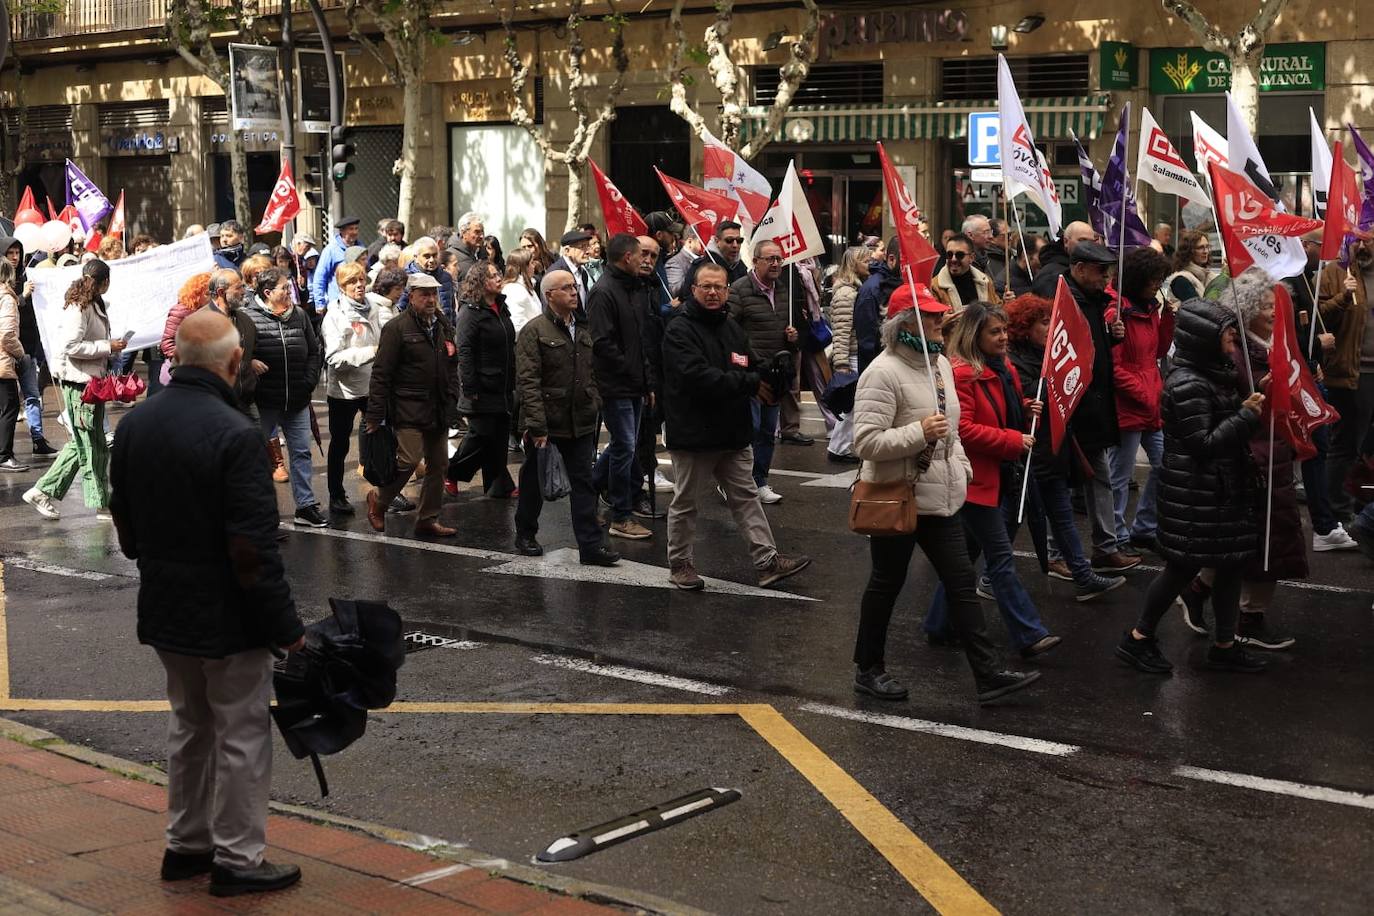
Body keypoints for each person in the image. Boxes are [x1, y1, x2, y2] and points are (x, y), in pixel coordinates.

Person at [109, 309, 305, 898]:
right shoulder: (236, 434)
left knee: (189, 725)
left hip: (166, 601)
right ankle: (238, 858)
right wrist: (286, 627)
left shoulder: (138, 423)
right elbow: (252, 549)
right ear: (234, 363)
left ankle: (185, 844)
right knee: (241, 732)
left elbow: (125, 520)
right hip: (227, 613)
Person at [849, 282, 1042, 704]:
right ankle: (869, 668)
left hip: (941, 498)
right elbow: (864, 442)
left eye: (939, 316)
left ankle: (988, 675)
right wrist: (917, 432)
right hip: (896, 495)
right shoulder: (882, 372)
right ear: (906, 325)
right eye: (933, 317)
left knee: (960, 582)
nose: (941, 322)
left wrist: (963, 468)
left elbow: (952, 431)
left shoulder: (937, 365)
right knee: (886, 583)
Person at [1116, 298, 1268, 675]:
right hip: (1196, 494)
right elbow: (1203, 443)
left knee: (1231, 565)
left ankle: (1225, 644)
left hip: (1219, 492)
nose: (1234, 343)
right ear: (1205, 339)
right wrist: (1246, 415)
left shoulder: (1215, 373)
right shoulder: (1187, 384)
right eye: (1228, 336)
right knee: (1181, 570)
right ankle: (1137, 639)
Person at [660, 262, 811, 591]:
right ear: (693, 290)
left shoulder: (730, 326)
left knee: (745, 497)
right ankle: (680, 563)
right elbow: (697, 377)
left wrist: (773, 369)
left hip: (731, 430)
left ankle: (767, 562)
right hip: (693, 433)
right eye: (706, 287)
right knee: (686, 502)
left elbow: (748, 362)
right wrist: (750, 382)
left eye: (720, 287)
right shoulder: (679, 328)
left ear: (728, 290)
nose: (713, 293)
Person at [923, 300, 1059, 659]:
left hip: (998, 477)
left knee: (965, 558)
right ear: (975, 335)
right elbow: (962, 428)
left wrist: (1026, 406)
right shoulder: (964, 374)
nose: (1002, 338)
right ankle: (1029, 633)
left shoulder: (1004, 369)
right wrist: (1013, 440)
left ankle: (938, 624)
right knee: (1000, 557)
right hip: (975, 480)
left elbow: (1004, 410)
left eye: (1003, 331)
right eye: (993, 332)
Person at [1006, 294, 1125, 600]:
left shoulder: (1048, 354)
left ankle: (1083, 577)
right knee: (1010, 523)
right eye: (1044, 322)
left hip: (1052, 447)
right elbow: (1025, 398)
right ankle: (990, 579)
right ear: (1025, 326)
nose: (1050, 327)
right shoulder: (1014, 360)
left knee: (1061, 516)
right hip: (1028, 452)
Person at [513, 270, 620, 565]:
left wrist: (594, 399)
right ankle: (525, 533)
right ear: (549, 295)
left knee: (584, 483)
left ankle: (590, 546)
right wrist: (536, 426)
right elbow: (528, 381)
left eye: (575, 287)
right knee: (535, 481)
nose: (574, 292)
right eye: (566, 288)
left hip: (581, 421)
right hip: (548, 422)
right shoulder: (534, 331)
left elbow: (592, 371)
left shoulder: (582, 328)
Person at [24, 260, 124, 520]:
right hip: (79, 383)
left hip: (91, 381)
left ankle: (43, 492)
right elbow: (71, 346)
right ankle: (99, 503)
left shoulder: (94, 303)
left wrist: (110, 348)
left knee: (89, 443)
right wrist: (106, 347)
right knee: (90, 445)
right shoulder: (80, 306)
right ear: (102, 282)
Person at [1062, 240, 1140, 572]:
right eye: (1100, 270)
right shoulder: (1066, 303)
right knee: (1061, 484)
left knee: (1098, 479)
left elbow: (1092, 352)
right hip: (1074, 409)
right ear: (1079, 269)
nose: (1106, 277)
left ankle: (1105, 548)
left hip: (1094, 406)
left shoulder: (1094, 302)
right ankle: (1058, 552)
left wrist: (1112, 337)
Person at [366, 273, 461, 536]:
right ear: (411, 296)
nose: (431, 299)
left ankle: (427, 518)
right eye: (424, 294)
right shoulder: (396, 328)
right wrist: (374, 415)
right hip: (408, 407)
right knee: (408, 459)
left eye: (433, 294)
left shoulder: (443, 324)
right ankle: (379, 501)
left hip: (438, 407)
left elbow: (453, 363)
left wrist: (453, 394)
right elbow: (381, 373)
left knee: (439, 464)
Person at [1285, 231, 1351, 551]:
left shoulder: (1304, 278)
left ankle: (1323, 524)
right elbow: (1286, 334)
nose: (1323, 252)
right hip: (1293, 378)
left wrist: (1315, 357)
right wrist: (1315, 346)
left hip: (1309, 373)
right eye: (1318, 246)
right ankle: (1318, 525)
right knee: (1310, 447)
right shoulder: (1289, 278)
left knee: (1316, 446)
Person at [247, 268, 326, 528]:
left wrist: (308, 382)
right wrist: (250, 363)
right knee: (256, 455)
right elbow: (236, 352)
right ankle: (258, 511)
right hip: (265, 402)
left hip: (297, 399)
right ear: (268, 293)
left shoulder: (300, 315)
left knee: (301, 452)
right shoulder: (248, 317)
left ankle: (305, 507)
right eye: (284, 288)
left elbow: (314, 352)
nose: (290, 292)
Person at [587, 233, 654, 538]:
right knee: (625, 446)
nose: (646, 260)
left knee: (622, 446)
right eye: (642, 254)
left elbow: (641, 340)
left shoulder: (635, 288)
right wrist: (630, 372)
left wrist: (647, 379)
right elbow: (602, 342)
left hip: (635, 383)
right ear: (628, 257)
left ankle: (587, 494)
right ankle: (621, 515)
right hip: (615, 385)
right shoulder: (604, 291)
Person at [1108, 246, 1173, 553]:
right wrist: (1144, 394)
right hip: (1129, 403)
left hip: (1149, 399)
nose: (1158, 285)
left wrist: (1169, 318)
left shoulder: (1150, 307)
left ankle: (1144, 527)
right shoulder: (1117, 311)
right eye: (1154, 279)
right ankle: (1117, 535)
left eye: (1160, 279)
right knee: (1119, 476)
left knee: (1166, 466)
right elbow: (1113, 367)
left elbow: (1158, 352)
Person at [728, 239, 803, 503]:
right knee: (751, 428)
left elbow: (797, 331)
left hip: (776, 373)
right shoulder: (738, 291)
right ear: (756, 261)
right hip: (750, 374)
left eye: (779, 259)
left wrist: (794, 338)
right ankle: (735, 481)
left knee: (768, 432)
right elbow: (729, 332)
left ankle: (760, 481)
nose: (775, 264)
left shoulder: (785, 291)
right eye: (769, 259)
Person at [322, 261, 389, 515]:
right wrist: (370, 352)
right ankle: (336, 496)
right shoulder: (335, 315)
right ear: (342, 286)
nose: (359, 285)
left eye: (361, 279)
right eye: (352, 281)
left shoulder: (373, 308)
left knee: (382, 439)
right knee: (340, 444)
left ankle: (386, 492)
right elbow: (334, 358)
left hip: (373, 385)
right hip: (345, 391)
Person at [449, 261, 518, 498]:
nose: (498, 278)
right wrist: (470, 387)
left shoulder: (500, 306)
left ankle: (499, 484)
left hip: (503, 385)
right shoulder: (470, 312)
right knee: (480, 436)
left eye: (498, 274)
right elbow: (465, 351)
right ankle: (451, 472)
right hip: (481, 387)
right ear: (480, 282)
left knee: (498, 436)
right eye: (492, 276)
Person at [1320, 237, 1374, 521]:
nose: (1363, 246)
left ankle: (1362, 505)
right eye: (1359, 240)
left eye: (1370, 240)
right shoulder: (1335, 272)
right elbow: (1319, 319)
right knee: (1347, 443)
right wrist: (1343, 296)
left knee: (1367, 445)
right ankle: (1338, 512)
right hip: (1350, 373)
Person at [3, 234, 56, 456]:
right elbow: (6, 317)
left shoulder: (29, 276)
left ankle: (38, 439)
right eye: (10, 253)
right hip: (6, 352)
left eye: (18, 253)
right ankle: (5, 451)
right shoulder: (4, 284)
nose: (15, 257)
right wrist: (23, 296)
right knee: (7, 405)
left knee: (32, 395)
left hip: (26, 350)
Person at [825, 246, 868, 464]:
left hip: (855, 353)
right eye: (865, 260)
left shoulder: (855, 290)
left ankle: (841, 446)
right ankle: (838, 448)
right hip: (851, 355)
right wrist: (841, 364)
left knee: (855, 404)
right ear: (853, 264)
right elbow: (841, 332)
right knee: (853, 405)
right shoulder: (845, 294)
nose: (869, 263)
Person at [205, 269, 261, 414]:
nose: (244, 291)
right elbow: (178, 369)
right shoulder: (198, 323)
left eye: (243, 286)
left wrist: (251, 361)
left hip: (246, 404)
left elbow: (253, 351)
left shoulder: (245, 320)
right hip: (215, 408)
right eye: (238, 287)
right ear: (221, 292)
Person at [854, 237, 903, 372]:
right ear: (892, 259)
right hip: (879, 371)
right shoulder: (871, 290)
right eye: (907, 262)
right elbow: (867, 343)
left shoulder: (904, 284)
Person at [0, 259, 29, 472]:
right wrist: (21, 354)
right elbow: (7, 334)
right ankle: (4, 455)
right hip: (3, 362)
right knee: (10, 407)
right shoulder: (7, 298)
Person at [676, 220, 747, 300]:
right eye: (729, 240)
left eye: (739, 241)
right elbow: (687, 297)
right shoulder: (700, 267)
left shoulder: (741, 266)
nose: (735, 245)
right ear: (717, 241)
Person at [1031, 221, 1099, 298]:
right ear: (1066, 241)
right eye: (1082, 240)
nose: (1088, 246)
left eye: (1091, 242)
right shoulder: (1051, 276)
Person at [398, 237, 456, 323]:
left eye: (435, 255)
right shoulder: (406, 278)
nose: (432, 260)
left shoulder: (446, 277)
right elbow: (400, 309)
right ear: (416, 258)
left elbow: (451, 310)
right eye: (427, 256)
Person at [932, 234, 994, 314]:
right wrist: (943, 323)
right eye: (949, 255)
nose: (953, 259)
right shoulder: (935, 287)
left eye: (959, 255)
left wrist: (1006, 304)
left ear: (972, 258)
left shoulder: (986, 281)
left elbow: (996, 309)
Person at [161, 272, 212, 364]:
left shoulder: (212, 311)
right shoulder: (180, 311)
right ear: (196, 293)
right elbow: (168, 343)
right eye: (207, 293)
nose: (211, 298)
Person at [312, 215, 360, 310]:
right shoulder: (331, 250)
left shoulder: (360, 248)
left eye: (356, 229)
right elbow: (320, 277)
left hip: (358, 302)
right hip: (338, 304)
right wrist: (319, 303)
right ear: (342, 231)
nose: (354, 232)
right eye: (351, 229)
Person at [1163, 230, 1213, 307]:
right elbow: (1200, 308)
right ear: (1189, 251)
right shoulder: (1180, 279)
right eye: (1200, 248)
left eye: (1207, 247)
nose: (1206, 251)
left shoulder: (1209, 275)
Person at [547, 228, 595, 307]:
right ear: (567, 251)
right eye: (582, 247)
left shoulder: (583, 273)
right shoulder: (556, 274)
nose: (587, 252)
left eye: (588, 246)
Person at [501, 248, 542, 332]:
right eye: (531, 263)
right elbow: (517, 324)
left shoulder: (527, 285)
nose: (534, 266)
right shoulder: (514, 290)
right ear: (523, 267)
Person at [449, 212, 487, 279]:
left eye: (482, 231)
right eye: (477, 232)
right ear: (464, 233)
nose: (482, 236)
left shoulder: (483, 253)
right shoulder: (451, 256)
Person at [664, 230, 702, 296]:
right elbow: (674, 290)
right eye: (701, 242)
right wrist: (695, 269)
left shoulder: (704, 259)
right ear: (690, 242)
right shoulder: (674, 262)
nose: (706, 244)